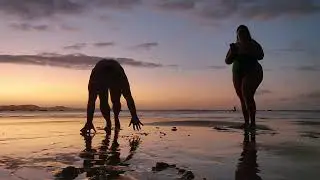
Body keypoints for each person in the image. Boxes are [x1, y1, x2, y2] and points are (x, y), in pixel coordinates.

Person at [81, 59, 143, 134]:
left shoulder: (119, 76)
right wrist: (89, 121)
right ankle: (108, 123)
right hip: (101, 74)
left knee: (115, 100)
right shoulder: (97, 77)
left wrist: (134, 116)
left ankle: (116, 118)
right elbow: (91, 102)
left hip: (116, 73)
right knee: (104, 100)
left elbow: (128, 97)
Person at [225, 25, 264, 128]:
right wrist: (232, 53)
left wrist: (249, 50)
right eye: (240, 32)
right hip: (237, 73)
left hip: (253, 71)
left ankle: (253, 123)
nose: (242, 34)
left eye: (244, 32)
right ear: (237, 35)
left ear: (247, 33)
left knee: (246, 93)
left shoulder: (253, 44)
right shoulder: (235, 46)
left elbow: (261, 55)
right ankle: (247, 122)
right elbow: (227, 61)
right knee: (242, 98)